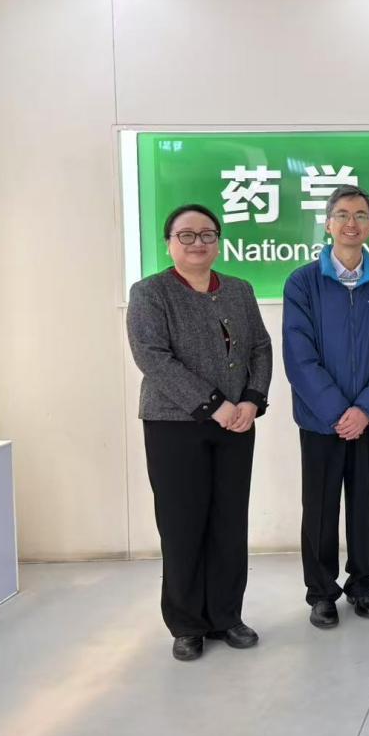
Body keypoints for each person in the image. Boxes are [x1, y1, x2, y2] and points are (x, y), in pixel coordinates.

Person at [127, 204, 272, 662]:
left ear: (218, 241)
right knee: (182, 524)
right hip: (174, 425)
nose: (197, 243)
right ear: (169, 242)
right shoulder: (150, 293)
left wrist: (251, 399)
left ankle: (227, 616)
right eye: (186, 235)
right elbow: (152, 357)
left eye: (207, 234)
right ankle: (187, 624)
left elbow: (261, 347)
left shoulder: (239, 290)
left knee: (229, 522)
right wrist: (215, 406)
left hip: (237, 423)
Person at [283, 185, 369, 629]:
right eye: (342, 215)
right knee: (319, 507)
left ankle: (362, 583)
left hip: (367, 419)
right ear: (328, 223)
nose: (351, 223)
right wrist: (337, 411)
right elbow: (299, 353)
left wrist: (365, 408)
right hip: (321, 420)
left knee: (362, 501)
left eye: (360, 215)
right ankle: (321, 592)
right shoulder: (303, 282)